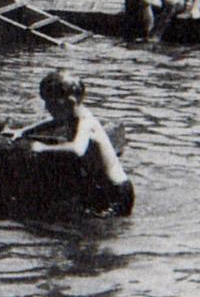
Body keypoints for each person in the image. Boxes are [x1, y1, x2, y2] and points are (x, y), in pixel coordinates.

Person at [10, 70, 133, 216]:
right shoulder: (72, 115)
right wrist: (24, 131)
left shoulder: (85, 121)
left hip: (116, 192)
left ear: (70, 102)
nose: (47, 108)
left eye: (51, 103)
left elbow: (77, 149)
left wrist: (42, 148)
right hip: (101, 187)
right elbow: (54, 122)